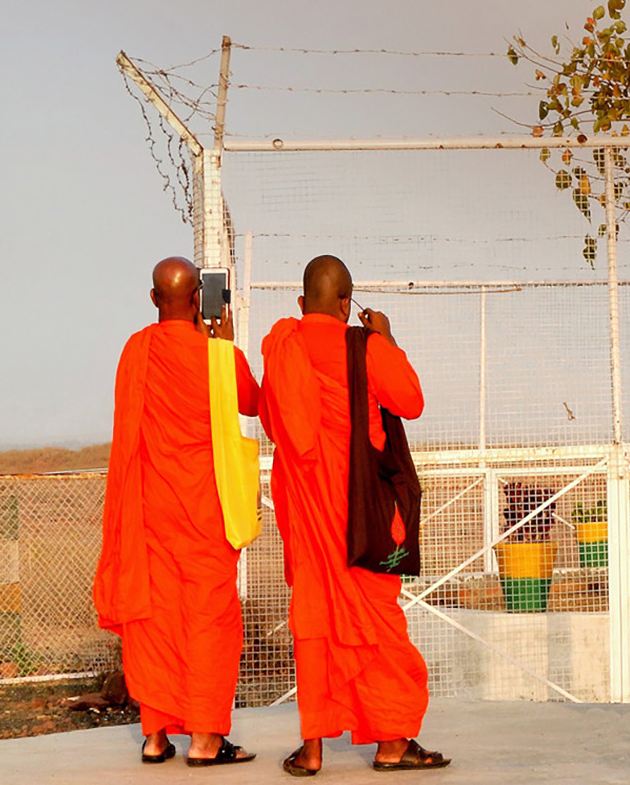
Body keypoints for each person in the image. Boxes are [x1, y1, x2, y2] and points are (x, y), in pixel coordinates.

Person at [260, 255, 448, 773]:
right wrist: (386, 340)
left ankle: (314, 748)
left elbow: (275, 421)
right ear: (348, 304)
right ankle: (390, 742)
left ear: (302, 304)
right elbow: (410, 400)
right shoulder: (364, 347)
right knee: (377, 622)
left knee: (315, 620)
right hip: (362, 513)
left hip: (308, 513)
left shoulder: (283, 346)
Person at [94, 257, 260, 766]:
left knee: (156, 619)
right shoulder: (218, 357)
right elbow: (253, 404)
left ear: (152, 299)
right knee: (208, 621)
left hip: (149, 513)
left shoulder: (136, 351)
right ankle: (206, 740)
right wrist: (226, 344)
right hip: (206, 515)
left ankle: (155, 735)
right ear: (198, 301)